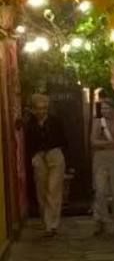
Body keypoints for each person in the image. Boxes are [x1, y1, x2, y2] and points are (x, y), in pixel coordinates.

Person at [24, 93, 67, 237]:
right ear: (33, 109)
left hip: (54, 154)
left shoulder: (55, 121)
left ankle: (52, 225)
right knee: (41, 190)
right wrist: (34, 156)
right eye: (38, 108)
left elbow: (63, 139)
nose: (41, 111)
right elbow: (28, 143)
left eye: (44, 108)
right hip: (38, 157)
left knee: (53, 189)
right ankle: (46, 221)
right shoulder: (30, 124)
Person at [90, 91, 114, 235]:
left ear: (113, 108)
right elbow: (93, 141)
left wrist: (109, 144)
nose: (104, 111)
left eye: (107, 108)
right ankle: (101, 219)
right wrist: (109, 144)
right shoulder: (98, 122)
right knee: (100, 190)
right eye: (103, 108)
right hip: (100, 158)